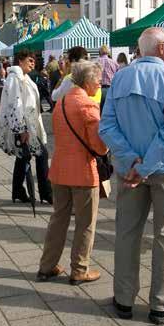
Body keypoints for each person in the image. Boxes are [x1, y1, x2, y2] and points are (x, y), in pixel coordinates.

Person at [100, 27, 164, 325]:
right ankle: (162, 303)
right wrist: (146, 165)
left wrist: (131, 161)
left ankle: (124, 299)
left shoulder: (120, 78)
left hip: (129, 171)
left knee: (127, 233)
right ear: (162, 48)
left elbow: (107, 127)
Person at [37, 61, 107, 285]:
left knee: (58, 219)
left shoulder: (62, 101)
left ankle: (47, 266)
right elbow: (99, 146)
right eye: (98, 80)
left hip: (59, 168)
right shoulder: (88, 105)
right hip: (83, 172)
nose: (100, 84)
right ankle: (79, 269)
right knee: (86, 223)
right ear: (87, 82)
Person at [0, 48, 53, 204]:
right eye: (30, 60)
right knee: (41, 155)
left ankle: (17, 190)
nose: (33, 62)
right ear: (20, 61)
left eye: (34, 59)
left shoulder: (24, 78)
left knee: (24, 157)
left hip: (29, 126)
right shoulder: (15, 78)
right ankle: (46, 192)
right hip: (24, 127)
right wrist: (21, 129)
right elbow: (15, 105)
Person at [96, 44, 120, 111]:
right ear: (108, 52)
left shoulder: (96, 62)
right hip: (110, 89)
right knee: (109, 110)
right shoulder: (114, 62)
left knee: (98, 110)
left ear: (100, 52)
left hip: (98, 89)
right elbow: (118, 76)